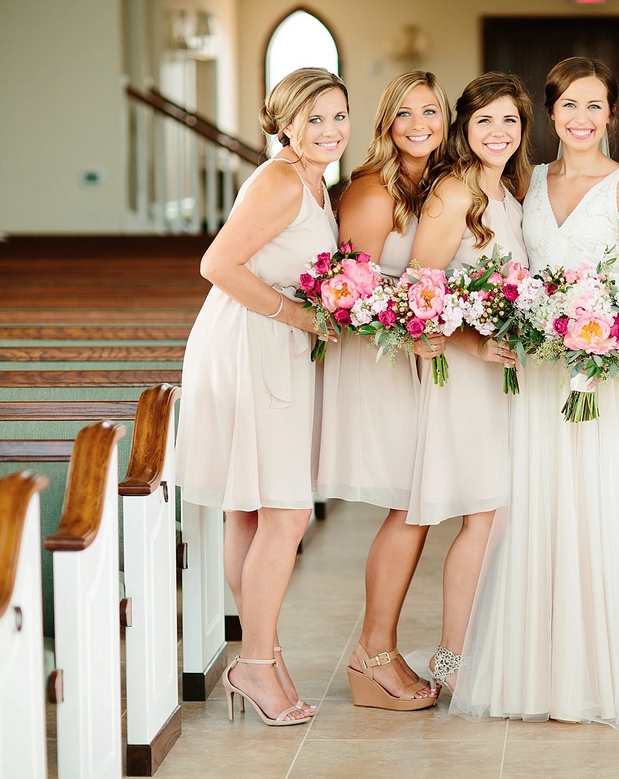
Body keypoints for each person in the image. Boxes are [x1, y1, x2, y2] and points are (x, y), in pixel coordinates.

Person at [451, 56, 619, 727]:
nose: (582, 119)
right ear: (550, 111)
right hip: (535, 378)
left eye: (595, 106)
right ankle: (533, 671)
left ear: (611, 115)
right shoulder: (526, 185)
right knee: (535, 515)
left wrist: (606, 336)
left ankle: (603, 670)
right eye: (569, 106)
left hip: (603, 378)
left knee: (602, 512)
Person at [174, 67, 348, 726]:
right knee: (285, 512)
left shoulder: (313, 180)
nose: (328, 130)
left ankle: (263, 659)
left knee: (250, 512)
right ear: (283, 124)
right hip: (251, 343)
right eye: (314, 119)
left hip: (265, 340)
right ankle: (254, 661)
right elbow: (215, 265)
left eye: (338, 116)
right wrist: (302, 318)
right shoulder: (280, 179)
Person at [318, 71, 452, 710]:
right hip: (379, 363)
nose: (419, 124)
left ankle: (378, 650)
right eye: (405, 114)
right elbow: (351, 295)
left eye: (431, 111)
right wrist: (421, 316)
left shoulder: (432, 186)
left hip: (416, 359)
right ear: (385, 124)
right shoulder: (374, 191)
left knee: (417, 505)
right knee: (410, 503)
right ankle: (373, 655)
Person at [407, 72, 531, 692]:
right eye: (484, 120)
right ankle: (451, 658)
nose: (498, 132)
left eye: (509, 120)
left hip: (508, 376)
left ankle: (481, 646)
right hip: (465, 375)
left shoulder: (513, 196)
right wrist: (477, 344)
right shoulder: (455, 192)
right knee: (484, 516)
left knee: (502, 515)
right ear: (464, 127)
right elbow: (420, 291)